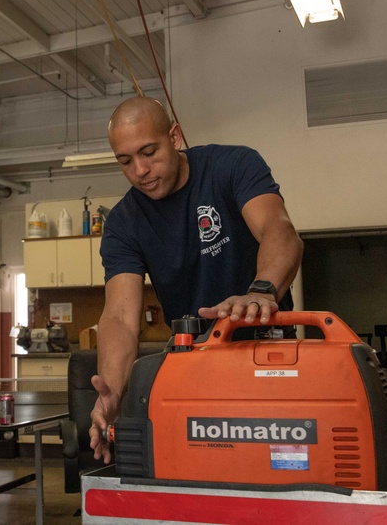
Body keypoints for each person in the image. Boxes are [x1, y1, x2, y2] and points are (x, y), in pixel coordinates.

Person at [89, 97, 303, 463]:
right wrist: (112, 392)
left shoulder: (232, 166)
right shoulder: (124, 222)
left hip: (267, 356)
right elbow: (120, 318)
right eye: (125, 161)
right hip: (195, 364)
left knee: (279, 466)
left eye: (148, 152)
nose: (140, 170)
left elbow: (278, 230)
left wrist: (262, 291)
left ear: (174, 136)